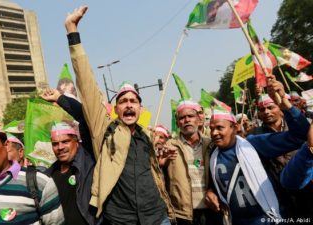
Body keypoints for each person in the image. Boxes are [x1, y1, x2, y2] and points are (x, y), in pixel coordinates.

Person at [65, 6, 174, 224]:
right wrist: (72, 31)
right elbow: (86, 84)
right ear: (116, 110)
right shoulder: (105, 131)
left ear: (140, 109)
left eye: (133, 101)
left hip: (158, 217)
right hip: (120, 220)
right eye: (123, 101)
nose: (129, 105)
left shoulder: (147, 136)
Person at [208, 77, 310, 225]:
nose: (214, 133)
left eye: (219, 128)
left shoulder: (252, 143)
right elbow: (218, 184)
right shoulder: (213, 155)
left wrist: (285, 105)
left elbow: (301, 135)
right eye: (211, 129)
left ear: (235, 127)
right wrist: (211, 192)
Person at [41, 88, 99, 225]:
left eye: (65, 142)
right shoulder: (48, 175)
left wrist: (60, 98)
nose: (60, 147)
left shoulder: (88, 160)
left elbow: (85, 117)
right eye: (55, 144)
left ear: (77, 142)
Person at [166, 100, 221, 225]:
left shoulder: (211, 145)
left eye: (190, 116)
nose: (187, 120)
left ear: (198, 119)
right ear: (177, 123)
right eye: (182, 118)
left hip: (211, 211)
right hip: (183, 216)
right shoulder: (169, 147)